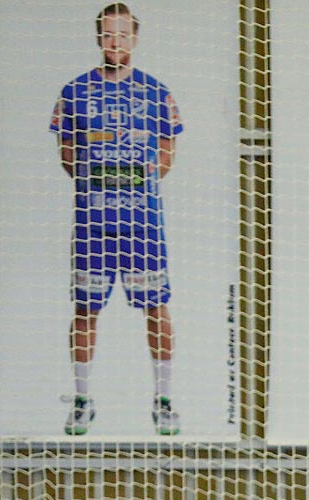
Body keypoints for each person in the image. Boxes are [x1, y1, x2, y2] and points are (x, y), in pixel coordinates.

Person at [52, 3, 181, 438]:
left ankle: (163, 400)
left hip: (142, 223)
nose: (115, 43)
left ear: (136, 38)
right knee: (86, 309)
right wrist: (100, 186)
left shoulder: (156, 92)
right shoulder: (73, 92)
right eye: (108, 35)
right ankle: (83, 400)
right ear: (97, 38)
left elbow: (166, 154)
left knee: (156, 307)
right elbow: (68, 153)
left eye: (123, 35)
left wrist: (132, 187)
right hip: (93, 222)